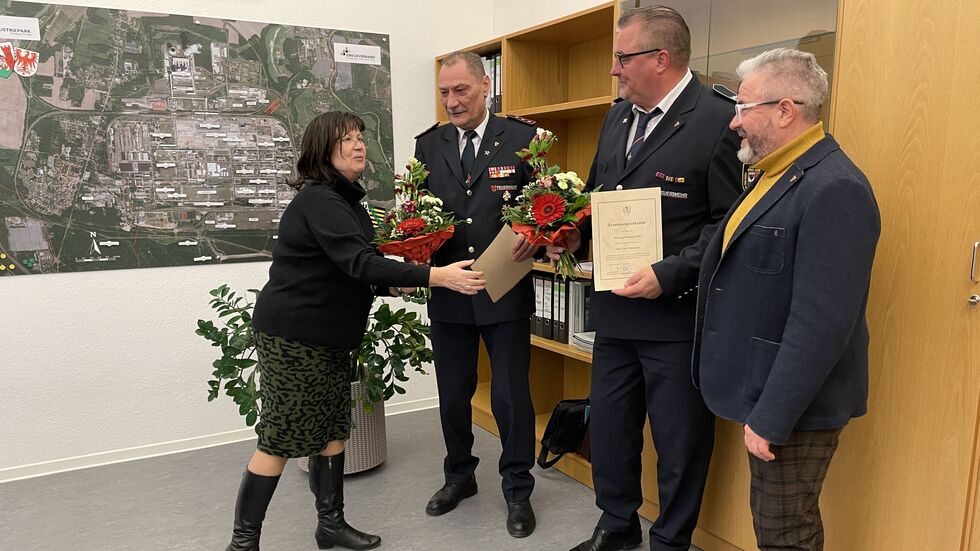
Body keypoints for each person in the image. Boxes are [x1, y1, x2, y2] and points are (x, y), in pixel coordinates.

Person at [223, 111, 485, 551]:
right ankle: (243, 544)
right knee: (279, 440)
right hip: (295, 336)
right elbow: (358, 263)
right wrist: (435, 276)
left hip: (328, 337)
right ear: (324, 151)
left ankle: (330, 526)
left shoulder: (346, 202)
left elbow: (352, 271)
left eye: (360, 136)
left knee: (331, 431)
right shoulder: (321, 200)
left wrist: (396, 281)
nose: (359, 145)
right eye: (347, 139)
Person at [548, 6, 743, 551]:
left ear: (661, 58)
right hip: (614, 313)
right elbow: (597, 198)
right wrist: (575, 237)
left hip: (676, 317)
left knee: (680, 443)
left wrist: (668, 274)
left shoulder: (718, 120)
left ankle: (670, 541)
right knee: (609, 431)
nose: (613, 70)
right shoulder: (617, 117)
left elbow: (728, 225)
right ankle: (616, 526)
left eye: (621, 57)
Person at [694, 48, 880, 550]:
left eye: (743, 107)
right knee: (774, 524)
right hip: (767, 389)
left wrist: (773, 415)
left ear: (785, 110)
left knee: (785, 533)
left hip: (795, 404)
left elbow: (822, 322)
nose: (733, 122)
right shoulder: (774, 173)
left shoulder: (834, 187)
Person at [413, 51, 540, 538]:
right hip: (448, 290)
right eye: (445, 92)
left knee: (511, 398)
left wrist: (537, 234)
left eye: (461, 90)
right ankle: (460, 477)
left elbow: (544, 206)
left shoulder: (524, 139)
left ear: (485, 86)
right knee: (452, 395)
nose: (452, 101)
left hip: (503, 291)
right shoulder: (429, 145)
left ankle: (517, 490)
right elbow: (418, 214)